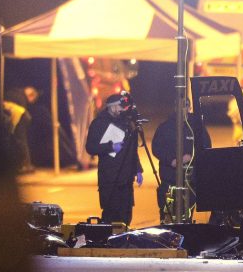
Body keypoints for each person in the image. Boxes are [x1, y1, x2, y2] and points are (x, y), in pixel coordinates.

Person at [85, 91, 143, 226]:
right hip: (109, 179)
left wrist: (138, 170)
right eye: (120, 106)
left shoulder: (126, 123)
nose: (123, 109)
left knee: (126, 215)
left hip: (126, 179)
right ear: (112, 107)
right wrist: (111, 147)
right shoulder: (99, 123)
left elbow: (132, 150)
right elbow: (91, 148)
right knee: (111, 216)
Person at [152, 98, 211, 223]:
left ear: (189, 108)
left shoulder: (196, 127)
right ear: (175, 108)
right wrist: (172, 160)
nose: (183, 109)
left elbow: (206, 146)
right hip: (170, 178)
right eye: (180, 106)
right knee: (167, 215)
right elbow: (156, 148)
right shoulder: (165, 127)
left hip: (190, 180)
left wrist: (191, 157)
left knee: (187, 215)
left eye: (186, 106)